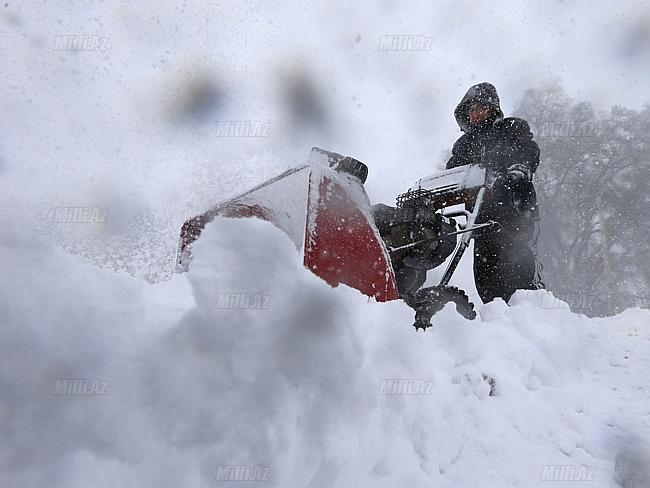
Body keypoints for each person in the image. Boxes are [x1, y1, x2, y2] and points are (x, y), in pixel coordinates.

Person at [446, 82, 544, 303]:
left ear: (492, 109)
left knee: (516, 265)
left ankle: (528, 308)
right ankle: (495, 313)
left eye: (481, 107)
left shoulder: (510, 129)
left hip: (514, 212)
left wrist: (519, 169)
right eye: (471, 109)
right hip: (481, 218)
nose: (476, 113)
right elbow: (454, 172)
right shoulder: (463, 145)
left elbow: (527, 150)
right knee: (485, 275)